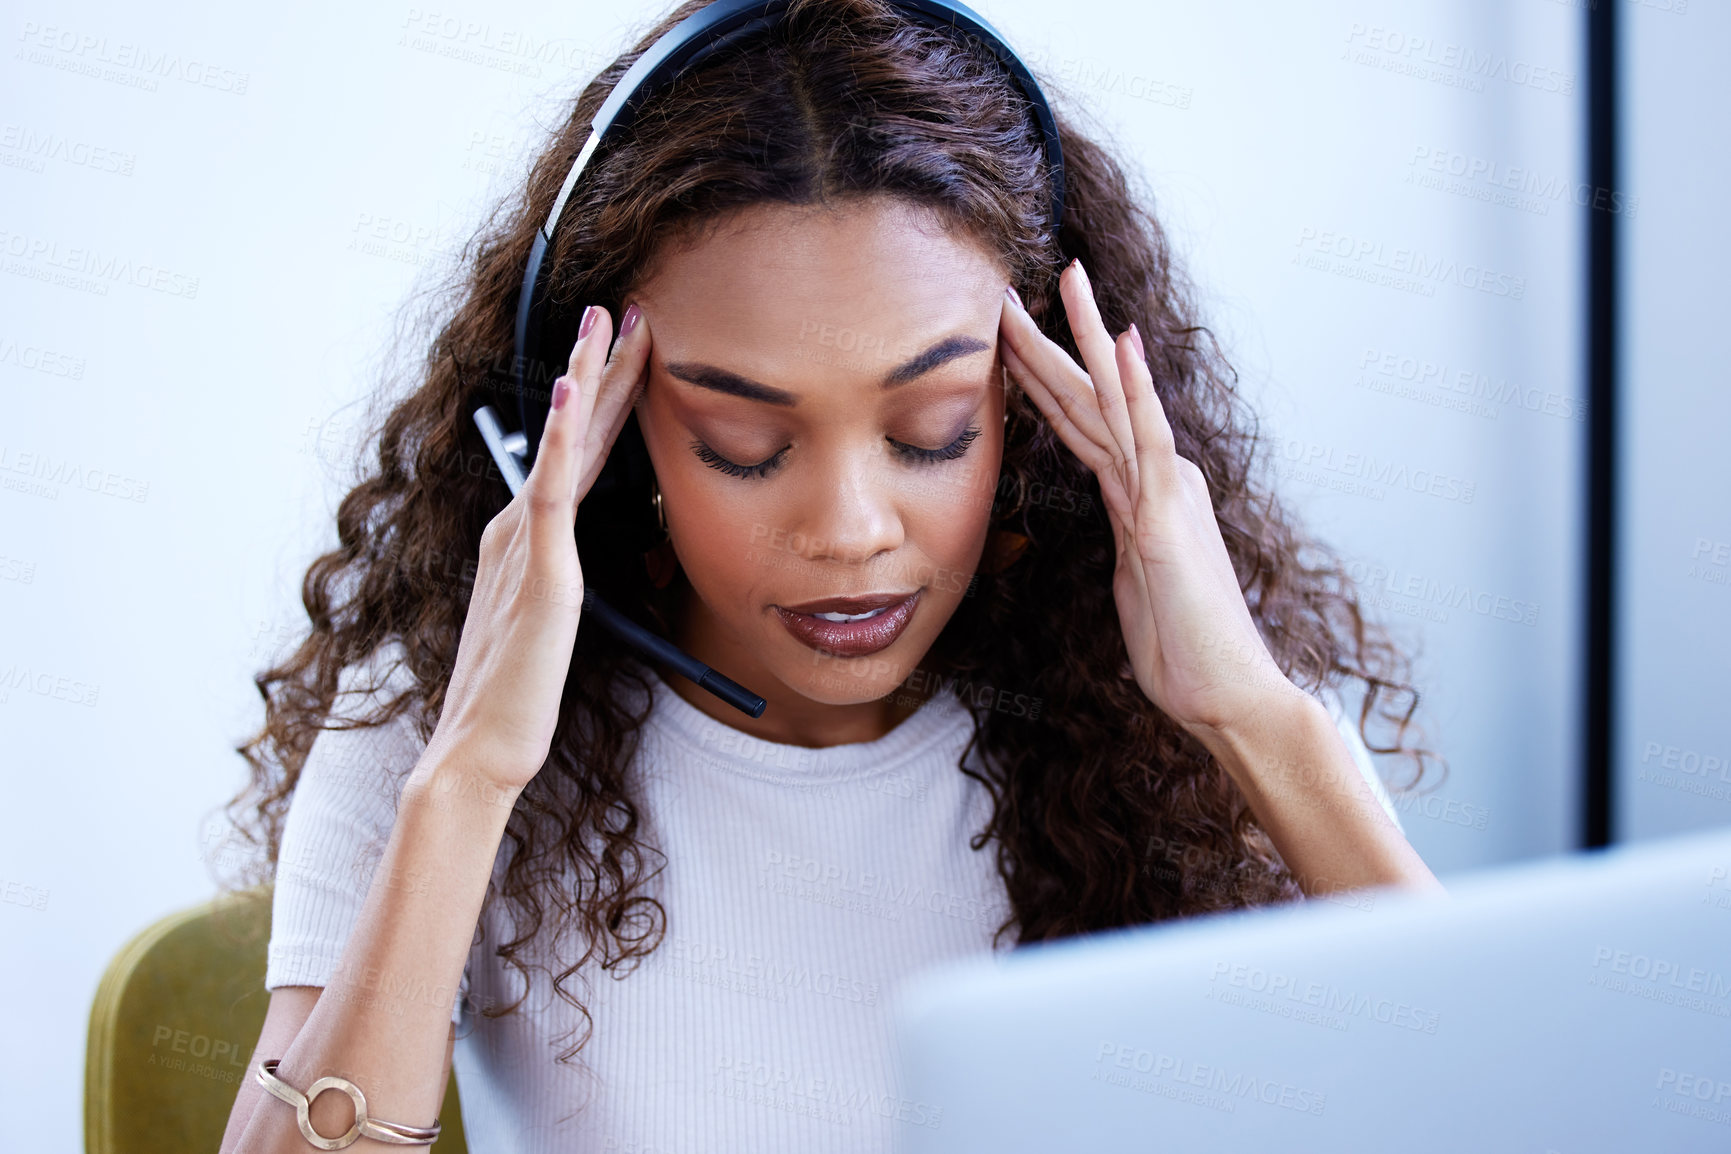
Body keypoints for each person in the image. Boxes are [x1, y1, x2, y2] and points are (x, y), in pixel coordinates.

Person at [219, 0, 1443, 1149]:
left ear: (1035, 402)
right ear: (596, 420)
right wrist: (470, 774)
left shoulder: (1184, 707)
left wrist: (1253, 719)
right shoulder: (443, 710)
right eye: (745, 444)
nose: (851, 529)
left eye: (933, 429)